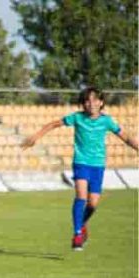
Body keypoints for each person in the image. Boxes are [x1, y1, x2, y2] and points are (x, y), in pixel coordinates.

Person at [22, 87, 138, 251]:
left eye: (94, 100)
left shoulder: (107, 121)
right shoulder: (77, 118)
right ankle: (77, 234)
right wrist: (35, 136)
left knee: (93, 203)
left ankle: (82, 224)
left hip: (98, 166)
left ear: (101, 102)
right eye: (87, 100)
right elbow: (54, 124)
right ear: (83, 104)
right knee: (81, 196)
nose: (91, 103)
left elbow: (125, 137)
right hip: (81, 162)